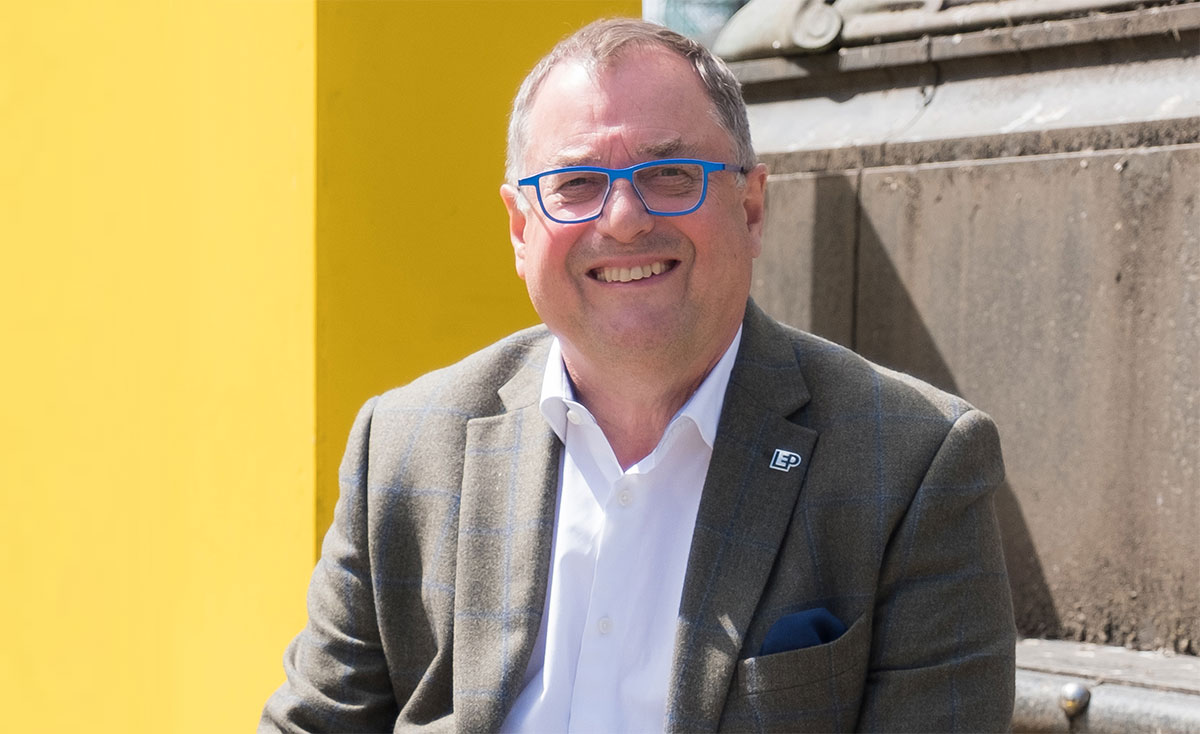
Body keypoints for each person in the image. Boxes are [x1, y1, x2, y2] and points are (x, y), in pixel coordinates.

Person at [261, 18, 1015, 733]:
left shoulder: (914, 465)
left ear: (751, 208)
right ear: (521, 230)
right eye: (576, 184)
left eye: (669, 173)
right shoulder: (405, 447)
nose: (622, 218)